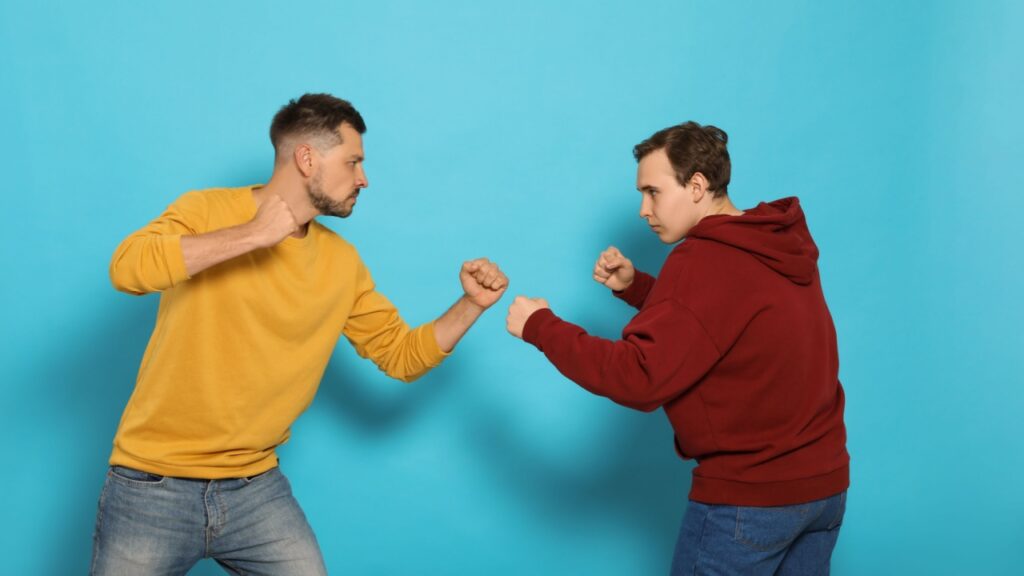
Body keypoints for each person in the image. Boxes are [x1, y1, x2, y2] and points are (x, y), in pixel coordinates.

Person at [91, 93, 508, 575]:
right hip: (152, 484)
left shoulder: (341, 264)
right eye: (353, 162)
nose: (363, 179)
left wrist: (471, 305)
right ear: (307, 158)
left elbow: (400, 354)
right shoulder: (205, 210)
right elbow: (127, 269)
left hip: (254, 487)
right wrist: (253, 235)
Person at [506, 121, 848, 575]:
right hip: (822, 490)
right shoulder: (774, 240)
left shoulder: (702, 259)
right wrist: (639, 288)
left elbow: (640, 377)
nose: (643, 210)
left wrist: (541, 327)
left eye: (653, 192)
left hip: (751, 499)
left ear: (697, 186)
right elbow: (729, 324)